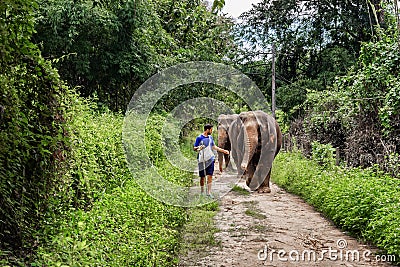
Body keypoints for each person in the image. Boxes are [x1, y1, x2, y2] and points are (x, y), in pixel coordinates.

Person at [193, 124, 229, 198]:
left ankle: (209, 193)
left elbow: (214, 147)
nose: (212, 131)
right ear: (207, 130)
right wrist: (199, 147)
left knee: (210, 176)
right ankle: (202, 192)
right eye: (211, 130)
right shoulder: (199, 138)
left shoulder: (210, 137)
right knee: (202, 177)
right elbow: (194, 148)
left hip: (210, 159)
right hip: (202, 160)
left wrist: (223, 151)